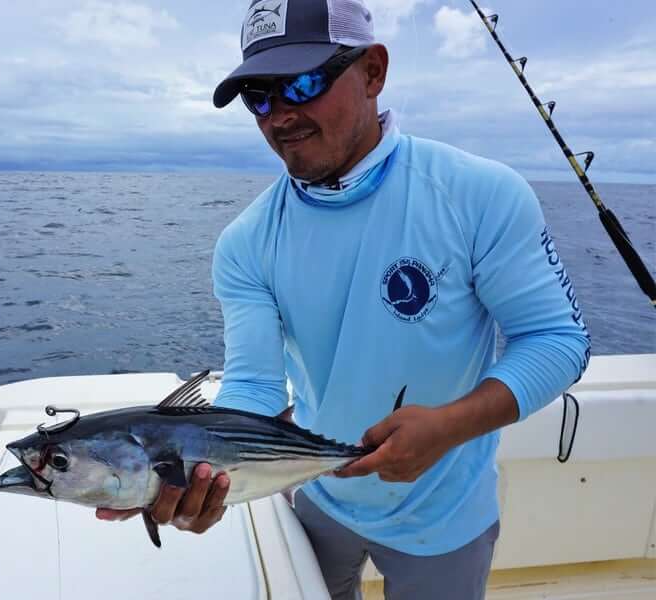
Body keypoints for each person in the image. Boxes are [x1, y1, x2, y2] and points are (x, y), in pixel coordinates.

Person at [98, 1, 592, 598]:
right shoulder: (246, 242)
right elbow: (254, 386)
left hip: (444, 515)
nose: (281, 115)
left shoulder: (478, 194)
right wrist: (201, 473)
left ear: (373, 72)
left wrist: (448, 426)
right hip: (316, 492)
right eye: (259, 96)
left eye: (303, 83)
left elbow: (558, 339)